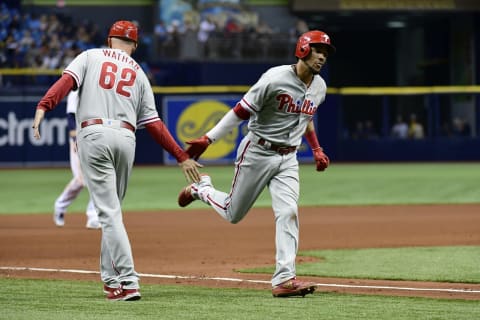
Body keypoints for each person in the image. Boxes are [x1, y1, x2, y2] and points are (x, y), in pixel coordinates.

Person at [32, 20, 201, 301]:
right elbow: (155, 125)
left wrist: (43, 105)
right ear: (134, 45)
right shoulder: (139, 73)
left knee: (108, 214)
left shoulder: (90, 56)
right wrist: (181, 156)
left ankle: (129, 281)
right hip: (126, 139)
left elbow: (66, 83)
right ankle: (111, 281)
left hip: (93, 134)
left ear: (110, 40)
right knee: (112, 213)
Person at [177, 30, 334, 298]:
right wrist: (208, 139)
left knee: (288, 213)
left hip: (288, 158)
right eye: (318, 50)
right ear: (303, 50)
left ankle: (284, 279)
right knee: (232, 213)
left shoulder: (319, 87)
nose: (322, 57)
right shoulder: (275, 79)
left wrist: (316, 148)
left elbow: (305, 116)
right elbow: (240, 110)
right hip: (257, 152)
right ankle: (200, 189)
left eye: (326, 53)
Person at [53, 90, 100, 229]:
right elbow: (70, 117)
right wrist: (75, 139)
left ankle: (93, 216)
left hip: (95, 138)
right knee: (81, 180)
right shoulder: (76, 92)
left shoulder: (99, 89)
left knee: (97, 176)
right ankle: (60, 206)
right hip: (79, 138)